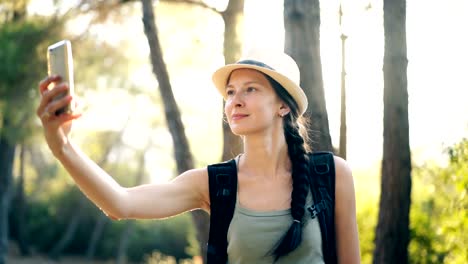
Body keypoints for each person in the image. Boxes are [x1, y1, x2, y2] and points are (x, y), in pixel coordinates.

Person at [37, 50, 360, 263]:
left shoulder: (331, 175)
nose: (235, 100)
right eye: (231, 92)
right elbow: (120, 203)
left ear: (283, 106)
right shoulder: (214, 183)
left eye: (251, 89)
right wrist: (61, 147)